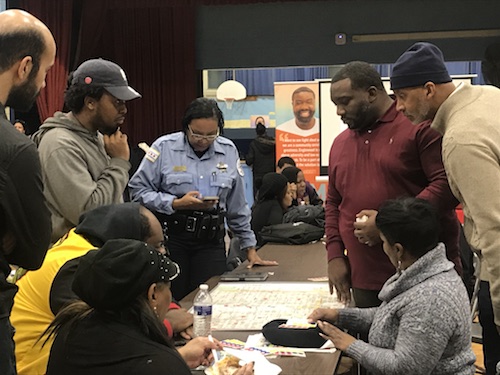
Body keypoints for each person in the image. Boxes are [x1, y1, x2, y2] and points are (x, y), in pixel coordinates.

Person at [390, 41, 500, 375]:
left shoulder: (460, 139)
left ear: (428, 89)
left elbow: (496, 231)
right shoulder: (490, 97)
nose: (398, 108)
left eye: (402, 96)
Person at [326, 61, 462, 310]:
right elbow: (334, 202)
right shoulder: (339, 144)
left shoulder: (419, 126)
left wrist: (386, 225)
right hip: (363, 278)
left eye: (345, 101)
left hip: (421, 279)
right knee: (367, 346)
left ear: (371, 93)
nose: (340, 111)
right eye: (336, 104)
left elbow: (446, 185)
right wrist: (334, 254)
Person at [11, 203, 194, 374]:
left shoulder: (87, 244)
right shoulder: (77, 267)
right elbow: (109, 337)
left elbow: (151, 287)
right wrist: (168, 327)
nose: (162, 254)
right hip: (34, 367)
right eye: (156, 247)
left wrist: (171, 309)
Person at [129, 98, 277, 299]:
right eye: (196, 134)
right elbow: (137, 190)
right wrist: (174, 203)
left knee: (211, 299)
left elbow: (237, 207)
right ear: (186, 127)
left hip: (211, 241)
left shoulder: (227, 150)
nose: (203, 140)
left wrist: (250, 248)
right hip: (172, 239)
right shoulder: (164, 148)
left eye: (211, 135)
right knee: (173, 300)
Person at [309, 197, 476, 375]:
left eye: (383, 241)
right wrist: (340, 315)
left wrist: (349, 344)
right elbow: (390, 316)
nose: (383, 247)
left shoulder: (431, 298)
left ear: (398, 250)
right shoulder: (420, 271)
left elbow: (405, 367)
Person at [44, 238, 254, 375]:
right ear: (153, 293)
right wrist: (173, 362)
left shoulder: (70, 334)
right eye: (167, 288)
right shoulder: (161, 364)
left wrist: (179, 356)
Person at [32, 58, 141, 243]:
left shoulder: (97, 137)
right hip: (73, 261)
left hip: (96, 254)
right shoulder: (60, 144)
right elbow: (90, 214)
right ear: (90, 102)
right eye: (117, 102)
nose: (124, 109)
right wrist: (119, 163)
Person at [0, 9, 55, 374]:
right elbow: (34, 251)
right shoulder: (14, 149)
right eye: (46, 72)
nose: (45, 85)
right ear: (24, 67)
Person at [251, 172, 293, 247]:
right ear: (279, 194)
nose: (291, 195)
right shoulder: (274, 208)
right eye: (288, 192)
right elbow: (279, 236)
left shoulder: (263, 204)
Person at [245, 122, 276, 196]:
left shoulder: (254, 144)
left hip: (258, 176)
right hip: (271, 173)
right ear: (265, 131)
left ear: (256, 132)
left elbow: (249, 160)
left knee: (259, 196)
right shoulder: (273, 143)